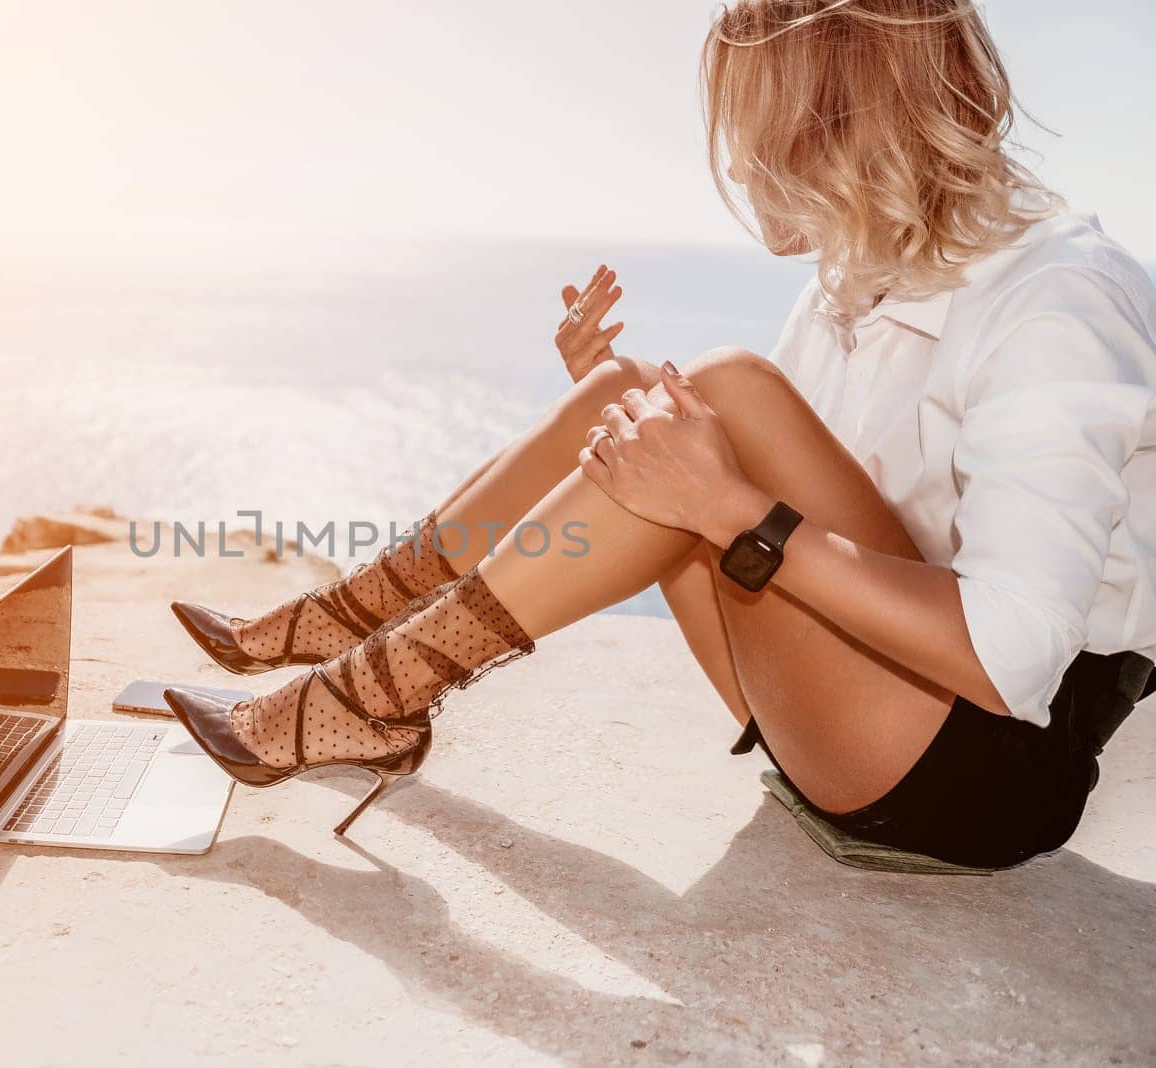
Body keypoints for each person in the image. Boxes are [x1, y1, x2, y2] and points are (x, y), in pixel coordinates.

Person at [164, 0, 1156, 867]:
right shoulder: (853, 282)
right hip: (835, 710)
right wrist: (621, 437)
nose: (736, 159)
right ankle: (350, 630)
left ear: (837, 125)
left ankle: (363, 698)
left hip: (980, 772)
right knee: (639, 393)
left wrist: (727, 507)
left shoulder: (1057, 300)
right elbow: (787, 489)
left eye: (755, 128)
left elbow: (1011, 659)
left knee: (716, 393)